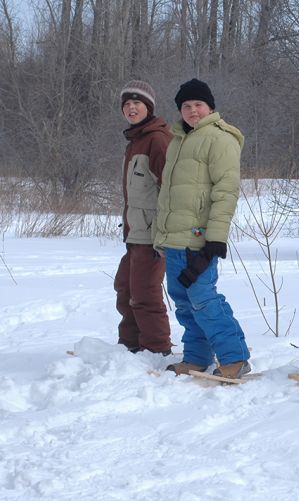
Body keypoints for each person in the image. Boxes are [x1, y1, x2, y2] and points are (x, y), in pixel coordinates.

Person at [155, 78, 251, 379]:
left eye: (198, 104)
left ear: (210, 107)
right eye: (186, 106)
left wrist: (215, 239)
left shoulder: (220, 139)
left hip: (199, 238)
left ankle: (235, 357)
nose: (192, 110)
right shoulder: (178, 140)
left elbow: (226, 191)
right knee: (183, 302)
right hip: (174, 238)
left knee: (203, 298)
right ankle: (196, 356)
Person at [114, 80, 174, 355]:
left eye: (137, 103)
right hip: (135, 232)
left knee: (145, 295)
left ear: (148, 107)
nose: (131, 108)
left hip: (152, 235)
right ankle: (129, 347)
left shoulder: (158, 139)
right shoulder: (136, 140)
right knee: (125, 290)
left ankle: (156, 350)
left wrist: (164, 233)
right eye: (127, 104)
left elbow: (170, 188)